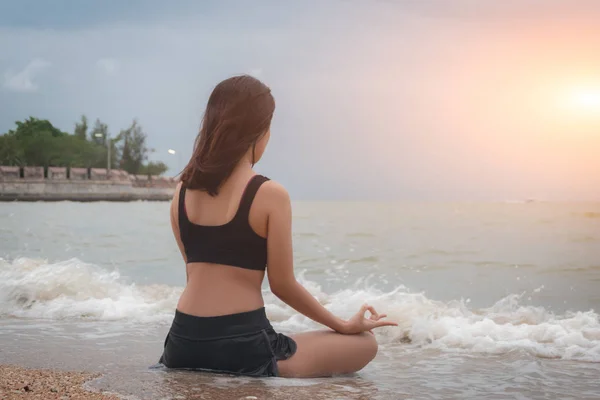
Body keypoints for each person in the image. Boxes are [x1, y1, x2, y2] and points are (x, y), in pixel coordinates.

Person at [158, 75, 397, 378]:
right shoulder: (269, 194)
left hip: (181, 345)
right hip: (240, 348)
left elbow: (194, 275)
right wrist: (344, 325)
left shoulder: (181, 192)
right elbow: (282, 286)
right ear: (260, 130)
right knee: (365, 344)